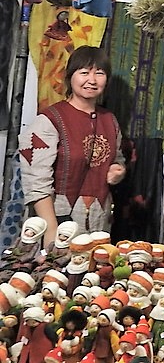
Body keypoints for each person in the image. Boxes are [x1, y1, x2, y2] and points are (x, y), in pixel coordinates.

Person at [18, 46, 127, 248]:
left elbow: (117, 156)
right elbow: (36, 182)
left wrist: (117, 169)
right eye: (84, 72)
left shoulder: (109, 120)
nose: (92, 80)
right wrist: (51, 232)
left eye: (99, 73)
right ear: (70, 77)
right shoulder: (49, 120)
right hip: (59, 222)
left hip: (99, 224)